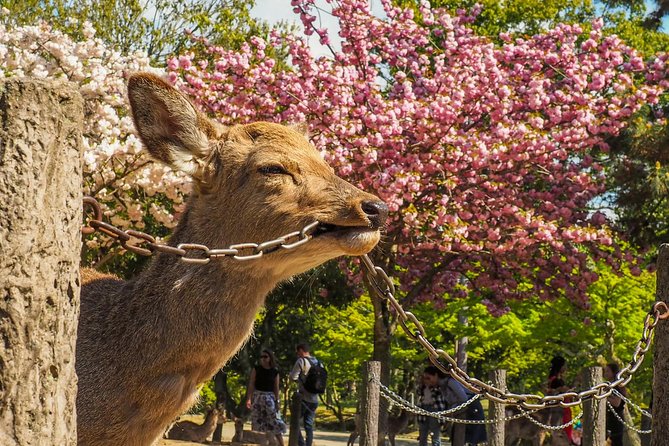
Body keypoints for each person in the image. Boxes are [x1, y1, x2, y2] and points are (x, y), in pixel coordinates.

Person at [421, 366, 487, 446]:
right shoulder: (441, 387)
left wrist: (450, 410)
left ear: (436, 375)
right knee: (456, 438)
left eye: (428, 378)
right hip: (461, 412)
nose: (426, 381)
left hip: (472, 410)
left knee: (470, 440)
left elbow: (464, 398)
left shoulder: (450, 382)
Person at [245, 349, 286, 446]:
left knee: (275, 422)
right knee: (257, 422)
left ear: (270, 358)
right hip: (257, 397)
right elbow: (251, 384)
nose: (263, 359)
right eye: (261, 357)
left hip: (269, 398)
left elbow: (276, 388)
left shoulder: (274, 372)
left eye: (265, 357)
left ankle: (281, 444)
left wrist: (277, 401)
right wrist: (249, 398)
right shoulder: (256, 369)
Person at [289, 343, 319, 446]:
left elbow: (293, 377)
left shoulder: (301, 361)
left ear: (301, 350)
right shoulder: (318, 362)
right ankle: (308, 444)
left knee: (295, 422)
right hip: (315, 399)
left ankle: (301, 444)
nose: (297, 354)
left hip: (303, 398)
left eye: (297, 351)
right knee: (309, 425)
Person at [545, 355, 574, 444]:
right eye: (564, 365)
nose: (566, 368)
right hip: (561, 411)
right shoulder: (556, 381)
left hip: (558, 410)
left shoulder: (551, 379)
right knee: (562, 435)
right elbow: (566, 392)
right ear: (560, 366)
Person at [604, 362, 626, 446]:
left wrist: (605, 398)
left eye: (608, 371)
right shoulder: (608, 385)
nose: (605, 373)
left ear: (614, 372)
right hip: (609, 418)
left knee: (616, 442)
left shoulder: (618, 386)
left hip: (616, 420)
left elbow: (617, 403)